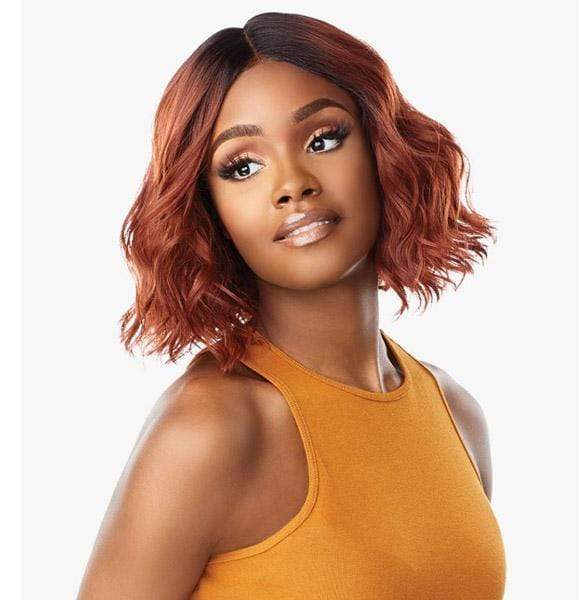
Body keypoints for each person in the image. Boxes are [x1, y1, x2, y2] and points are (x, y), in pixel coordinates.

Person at [77, 11, 506, 599]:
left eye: (323, 139)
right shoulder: (213, 426)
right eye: (243, 167)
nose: (292, 184)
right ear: (209, 210)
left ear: (383, 148)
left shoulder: (455, 412)